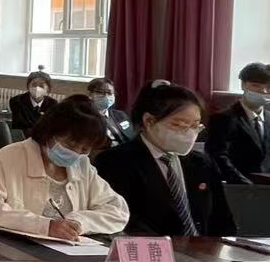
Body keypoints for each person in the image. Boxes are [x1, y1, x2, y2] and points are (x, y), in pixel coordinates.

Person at [0, 94, 129, 240]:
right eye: (70, 145)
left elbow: (117, 210)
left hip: (72, 252)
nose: (76, 154)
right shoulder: (9, 157)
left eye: (84, 149)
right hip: (17, 249)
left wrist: (79, 222)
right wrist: (44, 226)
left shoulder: (82, 166)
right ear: (49, 133)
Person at [94, 82, 235, 237]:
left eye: (195, 126)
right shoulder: (115, 162)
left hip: (204, 248)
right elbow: (124, 221)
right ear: (149, 120)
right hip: (154, 248)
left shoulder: (202, 163)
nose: (189, 133)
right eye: (179, 125)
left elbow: (223, 221)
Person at [206, 61, 270, 184]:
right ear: (243, 85)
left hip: (267, 185)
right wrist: (244, 183)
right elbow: (218, 157)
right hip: (234, 185)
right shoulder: (223, 118)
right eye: (256, 85)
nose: (263, 91)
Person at [88, 77, 134, 146]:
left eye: (110, 93)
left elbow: (132, 136)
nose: (106, 96)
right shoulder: (85, 118)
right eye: (100, 92)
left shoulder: (120, 115)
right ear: (90, 94)